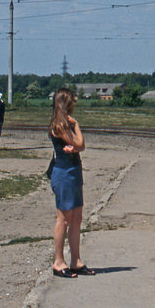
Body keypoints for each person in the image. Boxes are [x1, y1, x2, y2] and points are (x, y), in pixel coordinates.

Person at [48, 88, 93, 278]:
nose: (74, 104)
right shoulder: (60, 126)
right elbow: (80, 144)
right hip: (64, 174)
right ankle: (58, 262)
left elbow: (78, 146)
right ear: (65, 104)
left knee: (76, 218)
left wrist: (75, 131)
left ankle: (75, 260)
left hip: (74, 172)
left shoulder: (67, 124)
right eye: (72, 101)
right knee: (64, 218)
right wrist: (77, 127)